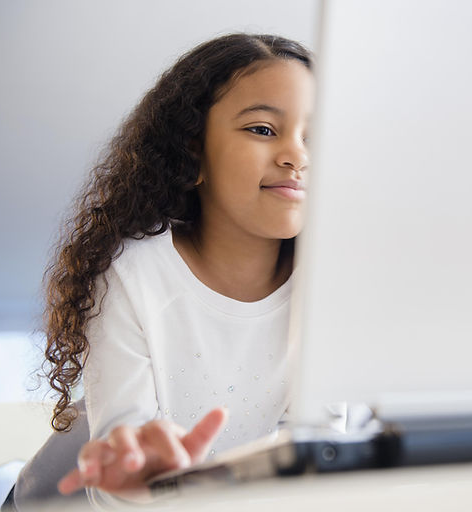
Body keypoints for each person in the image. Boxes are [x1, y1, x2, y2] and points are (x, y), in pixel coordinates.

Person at [38, 33, 314, 504]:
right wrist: (141, 477)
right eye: (263, 129)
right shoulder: (132, 274)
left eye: (314, 137)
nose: (297, 156)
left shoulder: (328, 289)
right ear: (193, 153)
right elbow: (117, 487)